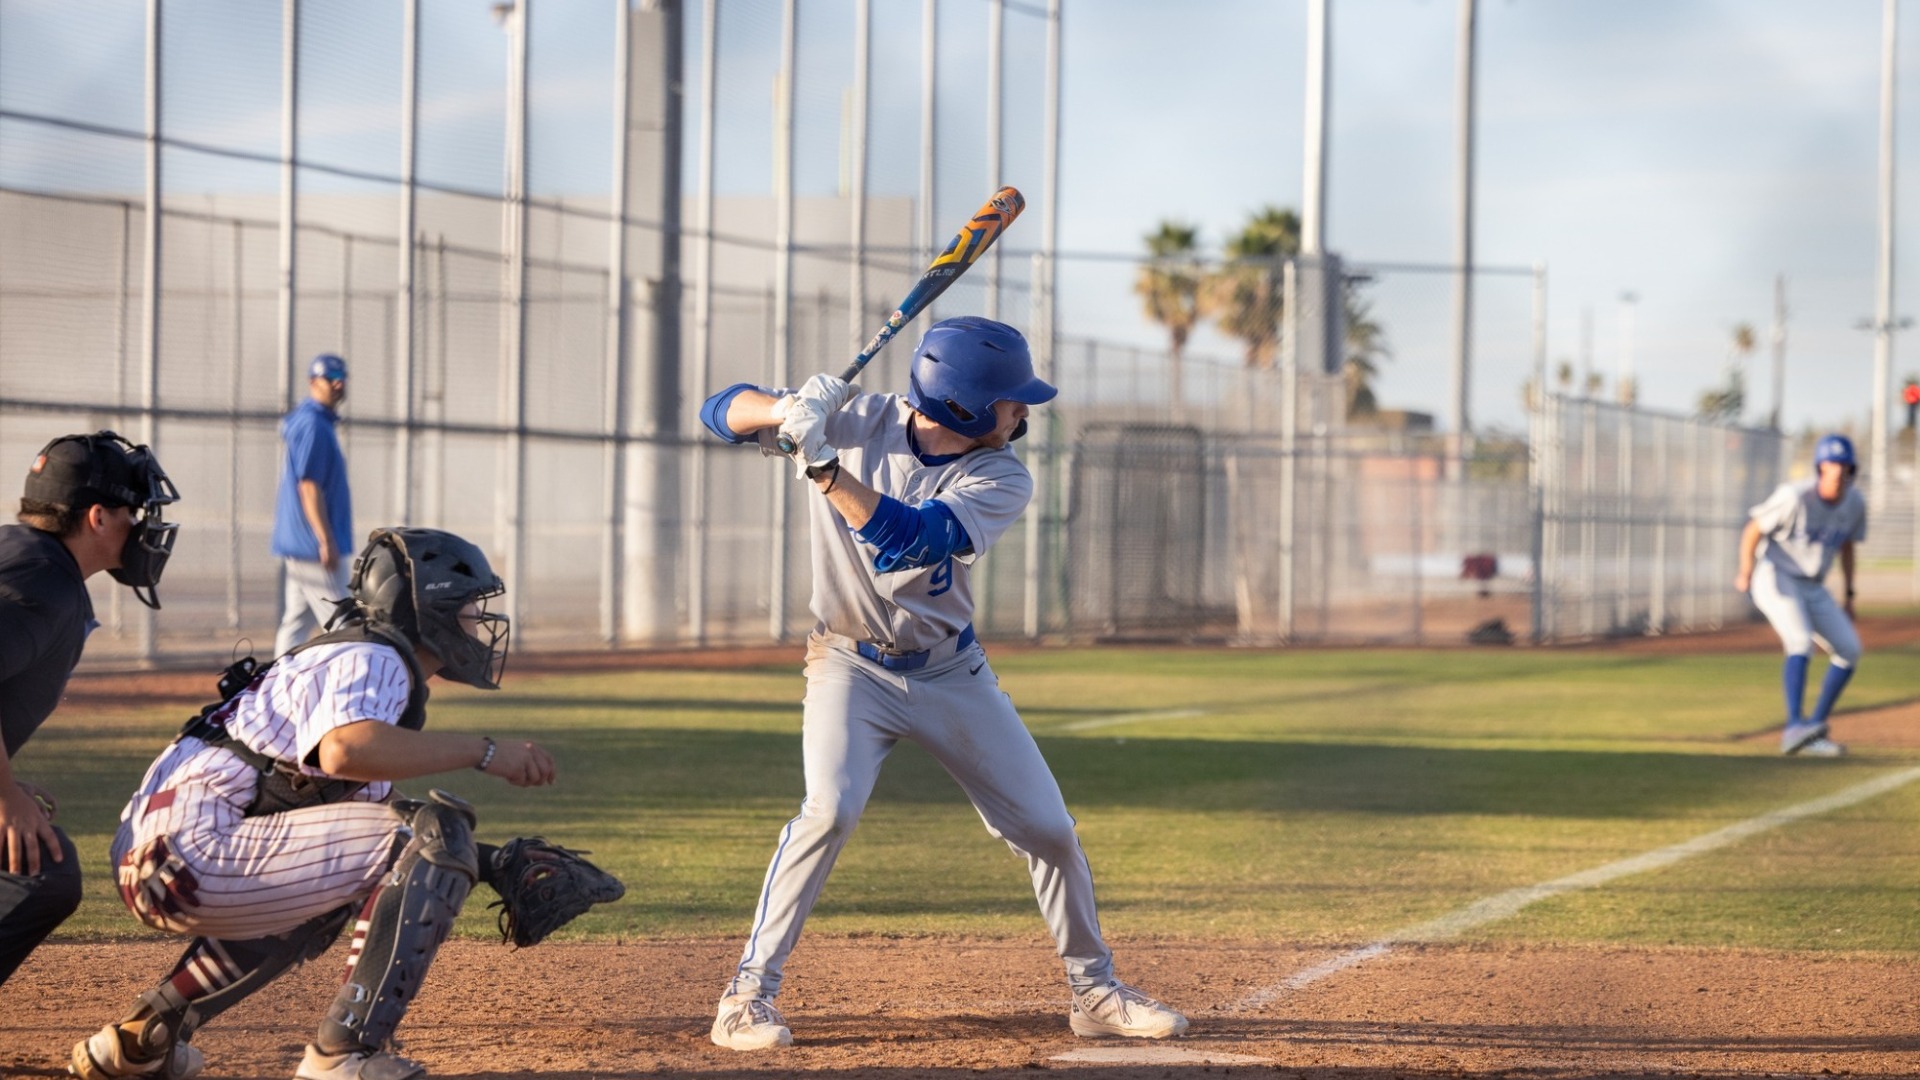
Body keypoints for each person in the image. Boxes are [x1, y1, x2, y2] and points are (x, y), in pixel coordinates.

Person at [697, 316, 1188, 1051]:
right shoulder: (856, 418)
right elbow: (716, 412)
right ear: (962, 403)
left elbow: (911, 540)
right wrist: (787, 410)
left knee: (1049, 830)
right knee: (827, 811)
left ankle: (1095, 992)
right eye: (1010, 400)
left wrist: (826, 468)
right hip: (848, 666)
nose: (1023, 411)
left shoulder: (1001, 475)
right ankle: (745, 997)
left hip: (950, 672)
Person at [69, 527, 623, 1080]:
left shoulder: (352, 657)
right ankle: (343, 1055)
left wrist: (489, 862)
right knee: (428, 836)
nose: (478, 626)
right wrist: (487, 753)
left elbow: (362, 822)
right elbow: (344, 751)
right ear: (425, 609)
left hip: (167, 856)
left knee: (389, 855)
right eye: (467, 610)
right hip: (195, 851)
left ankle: (144, 1038)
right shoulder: (375, 656)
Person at [0, 431, 179, 989]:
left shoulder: (26, 556)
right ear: (98, 517)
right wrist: (3, 796)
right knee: (41, 873)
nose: (142, 526)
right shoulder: (43, 578)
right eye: (133, 511)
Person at [1735, 433, 1868, 757]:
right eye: (1831, 464)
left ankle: (1812, 731)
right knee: (1799, 640)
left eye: (1843, 465)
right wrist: (1746, 570)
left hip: (1813, 583)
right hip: (1775, 574)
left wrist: (1849, 594)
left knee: (1849, 649)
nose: (1837, 471)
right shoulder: (1794, 496)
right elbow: (1754, 529)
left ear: (1852, 470)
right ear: (1819, 467)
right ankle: (1794, 724)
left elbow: (1848, 546)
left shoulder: (1854, 503)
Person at [273, 353, 354, 656]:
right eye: (329, 376)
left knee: (296, 622)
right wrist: (325, 539)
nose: (337, 382)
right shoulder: (313, 425)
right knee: (343, 625)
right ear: (312, 382)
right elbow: (308, 487)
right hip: (313, 545)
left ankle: (277, 689)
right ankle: (350, 693)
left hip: (305, 544)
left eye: (341, 376)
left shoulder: (316, 422)